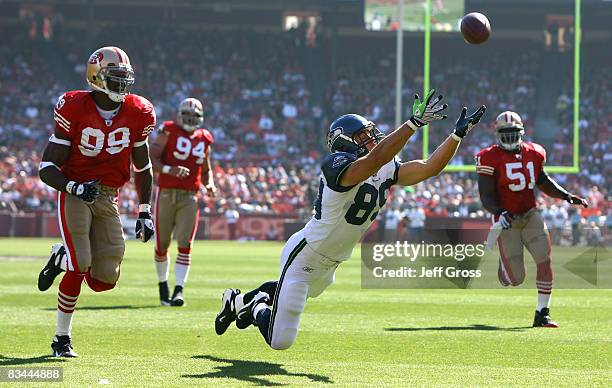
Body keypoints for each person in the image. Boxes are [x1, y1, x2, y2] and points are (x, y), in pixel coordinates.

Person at [215, 90, 486, 349]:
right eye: (364, 135)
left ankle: (237, 301)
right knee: (280, 340)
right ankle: (257, 305)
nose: (372, 138)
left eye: (371, 133)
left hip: (333, 261)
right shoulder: (336, 166)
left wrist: (457, 135)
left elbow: (429, 168)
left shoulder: (385, 167)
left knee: (290, 292)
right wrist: (413, 123)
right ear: (344, 141)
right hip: (307, 253)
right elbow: (375, 160)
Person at [37, 46, 156, 357]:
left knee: (104, 280)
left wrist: (145, 211)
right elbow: (46, 167)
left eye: (125, 79)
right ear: (97, 78)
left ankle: (59, 258)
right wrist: (73, 187)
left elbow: (143, 167)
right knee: (80, 265)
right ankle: (61, 339)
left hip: (107, 196)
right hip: (75, 192)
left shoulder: (139, 111)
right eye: (116, 78)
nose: (123, 85)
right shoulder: (74, 106)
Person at [476, 111, 588, 328]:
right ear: (497, 133)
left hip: (530, 214)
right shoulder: (488, 157)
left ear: (521, 132)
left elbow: (542, 180)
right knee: (515, 279)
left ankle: (542, 313)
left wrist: (566, 195)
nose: (509, 137)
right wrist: (500, 212)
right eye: (505, 132)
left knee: (544, 259)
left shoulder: (535, 153)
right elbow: (486, 196)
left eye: (513, 132)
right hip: (506, 219)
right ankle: (505, 269)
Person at [149, 98, 216, 307]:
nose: (190, 120)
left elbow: (206, 169)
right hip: (167, 192)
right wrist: (170, 170)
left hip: (190, 195)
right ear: (179, 115)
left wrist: (210, 184)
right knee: (162, 244)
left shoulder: (204, 138)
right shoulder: (168, 130)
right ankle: (163, 286)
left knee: (185, 244)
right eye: (187, 116)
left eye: (194, 117)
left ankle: (179, 290)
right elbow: (151, 158)